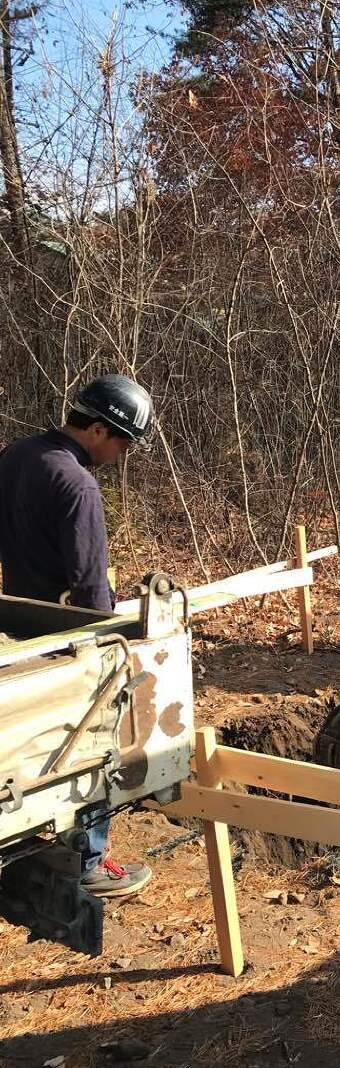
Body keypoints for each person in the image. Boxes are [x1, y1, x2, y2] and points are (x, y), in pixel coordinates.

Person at [0, 374, 156, 897]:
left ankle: (30, 839)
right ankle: (88, 860)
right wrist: (120, 638)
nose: (122, 453)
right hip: (69, 631)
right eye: (122, 442)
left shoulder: (16, 456)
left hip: (19, 623)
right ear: (96, 429)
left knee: (31, 740)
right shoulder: (77, 484)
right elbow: (91, 585)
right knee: (92, 740)